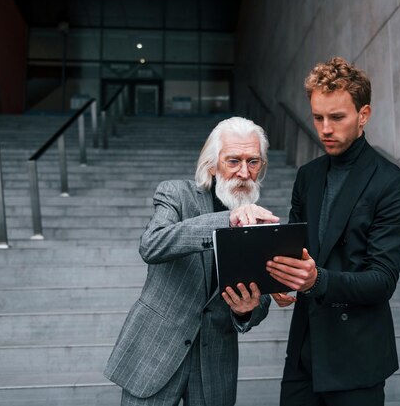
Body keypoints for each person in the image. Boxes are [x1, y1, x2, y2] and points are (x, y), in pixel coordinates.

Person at [266, 56, 400, 405]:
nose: (325, 129)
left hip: (357, 358)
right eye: (317, 117)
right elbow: (295, 249)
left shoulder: (392, 183)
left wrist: (316, 280)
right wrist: (282, 283)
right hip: (304, 354)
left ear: (363, 115)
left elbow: (382, 280)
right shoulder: (308, 175)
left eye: (337, 117)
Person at [104, 116, 279, 406]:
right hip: (155, 352)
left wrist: (247, 311)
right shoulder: (175, 193)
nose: (244, 172)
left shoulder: (261, 220)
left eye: (253, 162)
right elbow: (152, 244)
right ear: (212, 164)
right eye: (233, 161)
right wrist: (225, 220)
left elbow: (260, 303)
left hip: (215, 363)